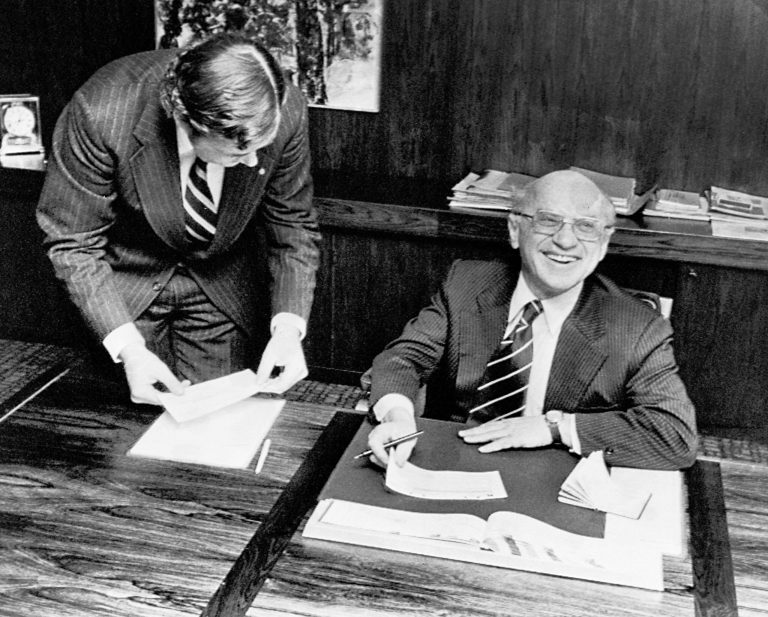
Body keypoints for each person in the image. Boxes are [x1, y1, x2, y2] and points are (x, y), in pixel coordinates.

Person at [36, 33, 321, 405]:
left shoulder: (285, 110)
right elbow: (74, 243)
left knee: (221, 419)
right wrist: (129, 349)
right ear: (188, 121)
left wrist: (288, 329)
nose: (253, 163)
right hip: (123, 284)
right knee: (125, 420)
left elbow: (293, 224)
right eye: (239, 153)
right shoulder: (101, 110)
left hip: (219, 283)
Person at [367, 170, 697, 471]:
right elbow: (403, 358)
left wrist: (555, 427)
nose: (565, 241)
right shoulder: (466, 284)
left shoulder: (637, 328)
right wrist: (398, 416)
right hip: (450, 462)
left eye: (586, 226)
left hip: (555, 479)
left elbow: (675, 436)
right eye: (548, 221)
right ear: (515, 229)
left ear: (603, 244)